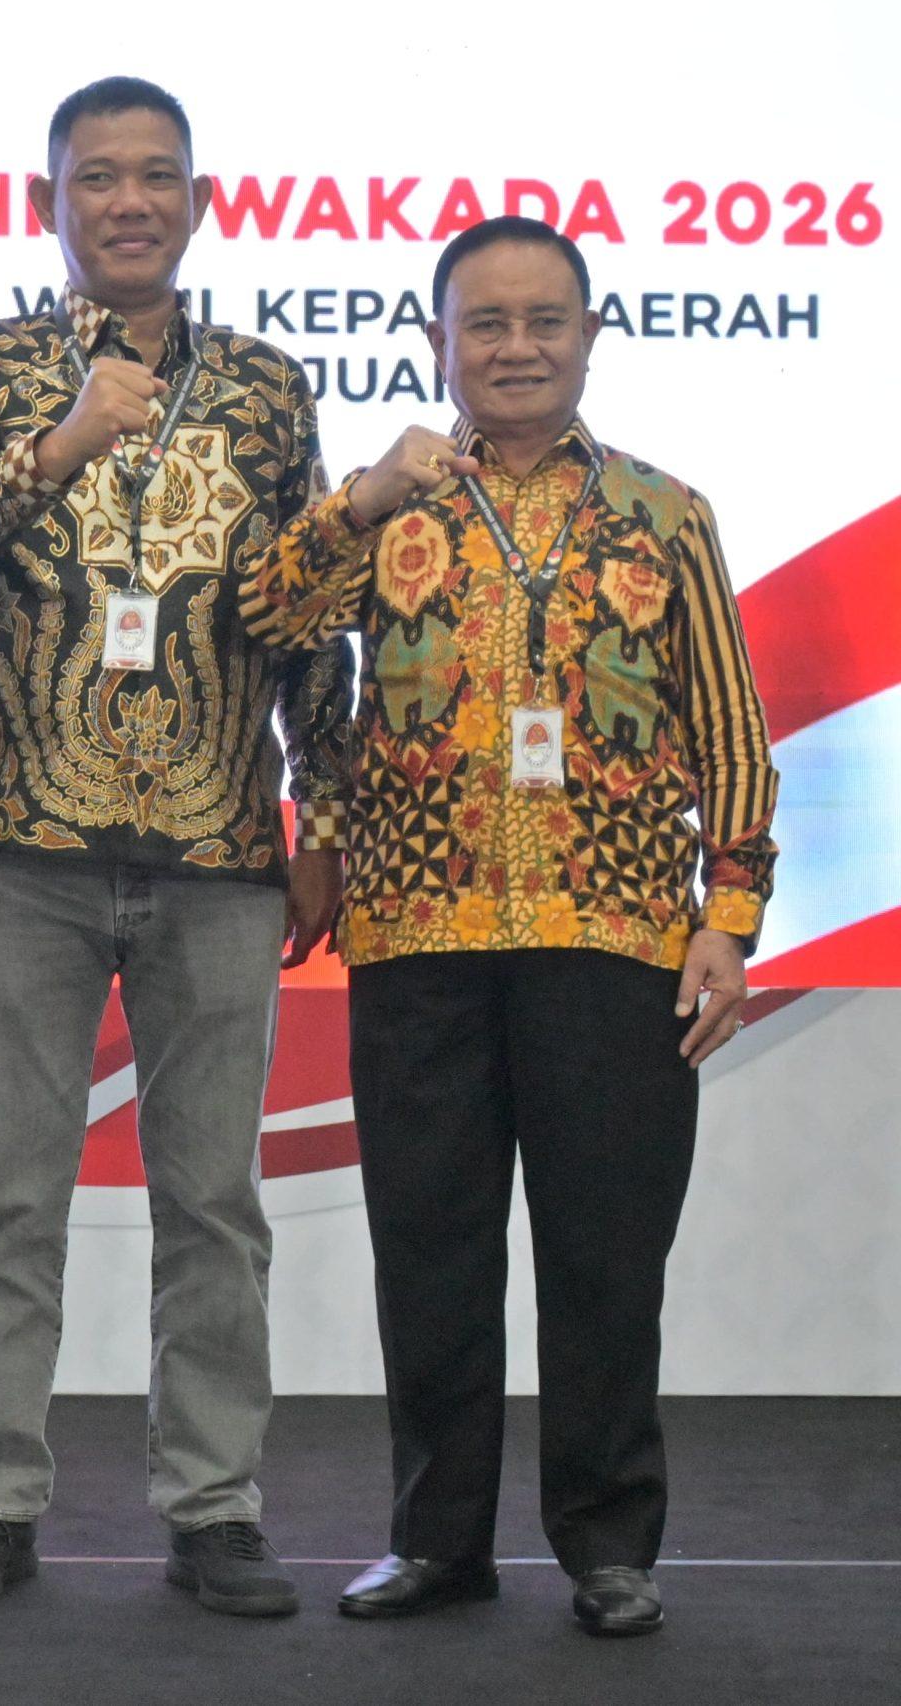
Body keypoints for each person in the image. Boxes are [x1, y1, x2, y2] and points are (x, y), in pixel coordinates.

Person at [242, 215, 779, 1637]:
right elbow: (265, 614)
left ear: (592, 336)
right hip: (417, 937)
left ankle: (609, 1546)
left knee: (605, 1256)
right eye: (487, 322)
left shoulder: (666, 514)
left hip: (618, 940)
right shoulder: (396, 503)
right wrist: (359, 497)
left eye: (546, 321)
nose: (518, 347)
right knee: (431, 1251)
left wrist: (729, 914)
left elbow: (731, 730)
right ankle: (437, 1542)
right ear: (439, 342)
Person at [0, 77, 356, 1615]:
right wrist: (64, 439)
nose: (130, 202)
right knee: (10, 1195)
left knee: (212, 1202)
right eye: (98, 178)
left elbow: (311, 607)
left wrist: (325, 811)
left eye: (158, 176)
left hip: (221, 848)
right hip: (20, 843)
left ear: (200, 203)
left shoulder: (269, 387)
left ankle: (214, 1503)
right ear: (51, 205)